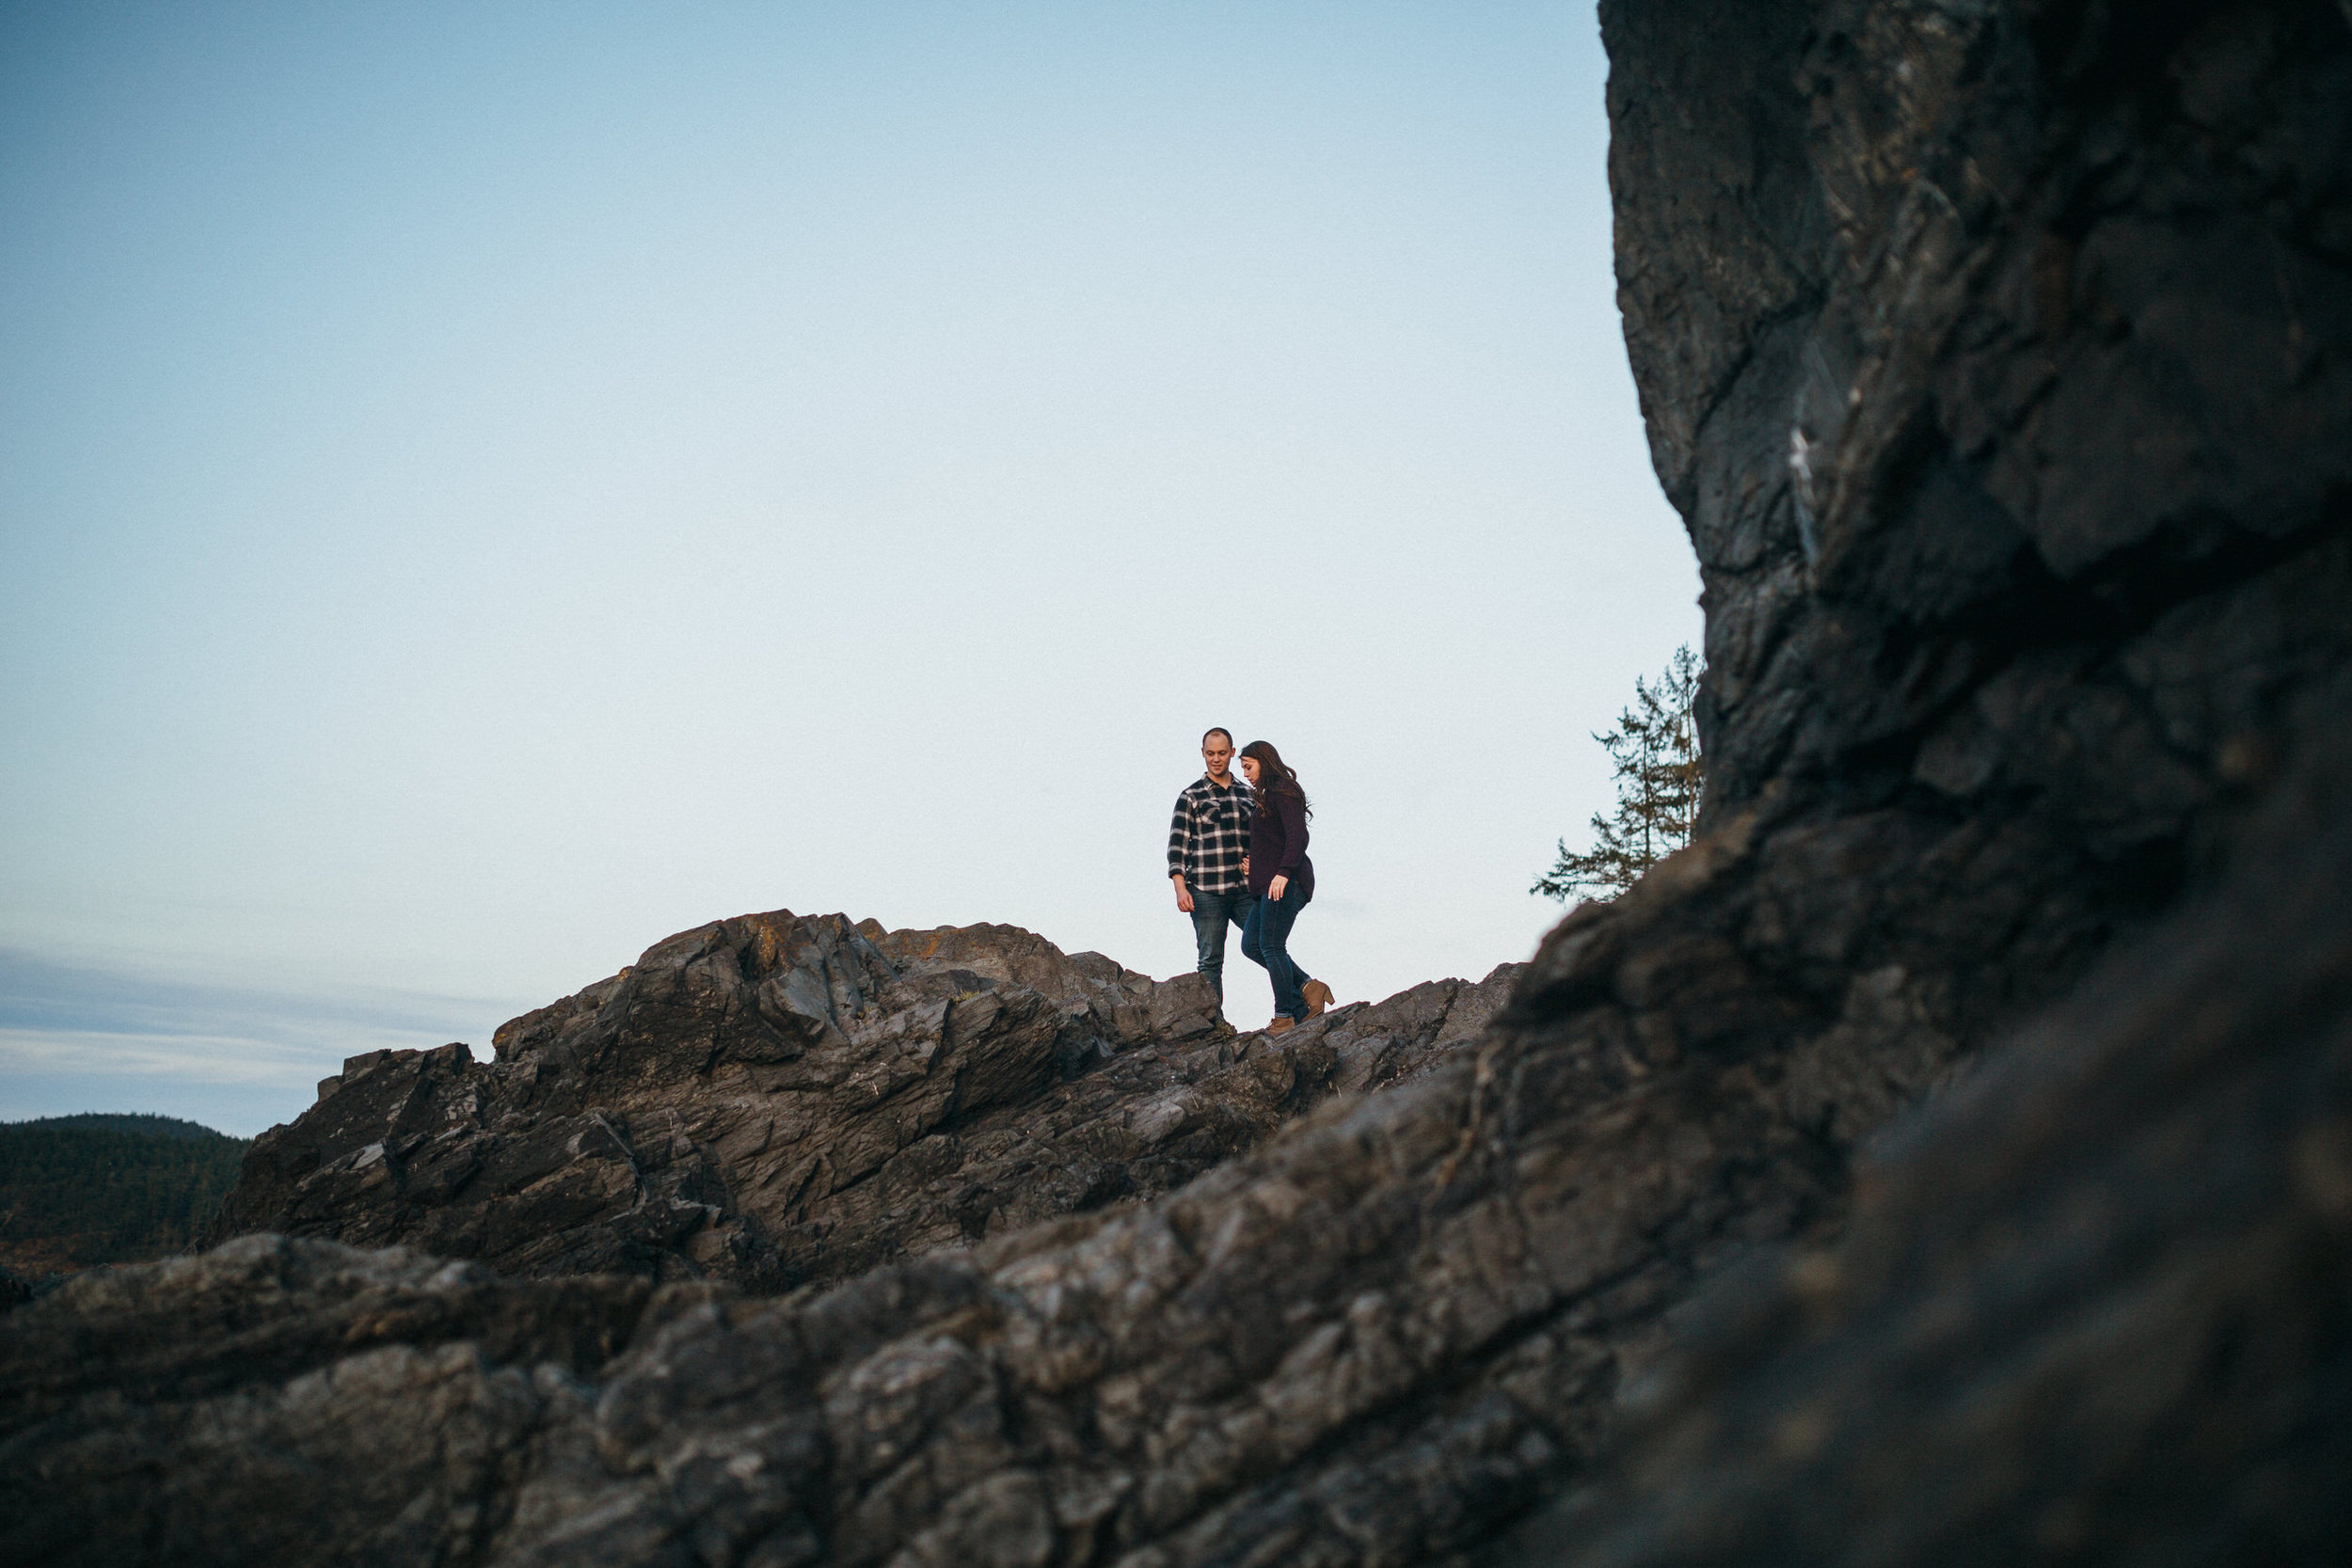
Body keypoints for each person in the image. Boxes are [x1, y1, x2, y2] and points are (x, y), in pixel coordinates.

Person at [1236, 739, 1333, 1034]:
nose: (1245, 773)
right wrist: (1259, 865)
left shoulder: (1283, 791)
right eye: (1243, 768)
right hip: (1269, 882)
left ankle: (1285, 1016)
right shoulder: (1268, 797)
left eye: (1248, 766)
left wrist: (1282, 872)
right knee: (1252, 944)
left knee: (1271, 946)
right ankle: (1308, 987)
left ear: (1264, 763)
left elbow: (1297, 837)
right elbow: (1274, 841)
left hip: (1285, 883)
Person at [1168, 728, 1258, 1011]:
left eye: (1221, 753)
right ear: (1202, 753)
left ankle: (1298, 997)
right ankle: (1213, 1026)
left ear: (1232, 753)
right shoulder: (1190, 796)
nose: (1216, 759)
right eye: (1210, 753)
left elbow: (1264, 840)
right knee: (1210, 960)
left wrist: (1258, 861)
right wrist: (1180, 889)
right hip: (1205, 891)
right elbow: (1177, 847)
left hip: (1245, 890)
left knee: (1267, 944)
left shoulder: (1250, 794)